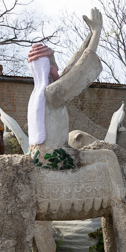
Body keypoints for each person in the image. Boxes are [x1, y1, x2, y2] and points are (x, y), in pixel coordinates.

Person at [27, 8, 104, 155]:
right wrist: (97, 33)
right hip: (54, 157)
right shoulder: (52, 93)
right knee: (109, 156)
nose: (57, 66)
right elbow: (80, 67)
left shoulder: (38, 94)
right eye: (54, 63)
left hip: (37, 154)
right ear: (49, 68)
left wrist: (91, 34)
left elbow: (72, 65)